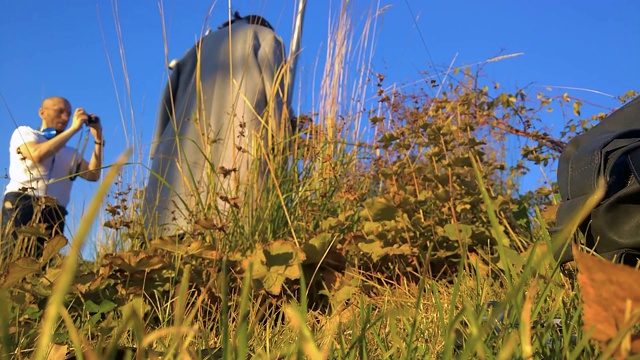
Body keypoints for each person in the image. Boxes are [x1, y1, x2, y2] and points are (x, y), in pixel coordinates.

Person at [143, 12, 293, 238]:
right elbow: (278, 109)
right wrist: (286, 144)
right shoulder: (267, 39)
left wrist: (157, 153)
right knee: (233, 251)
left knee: (167, 256)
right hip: (240, 165)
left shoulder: (196, 48)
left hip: (175, 174)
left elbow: (166, 107)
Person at [1, 96, 103, 257]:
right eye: (60, 111)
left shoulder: (71, 153)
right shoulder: (26, 133)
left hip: (55, 211)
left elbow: (93, 174)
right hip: (22, 203)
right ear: (42, 112)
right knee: (11, 258)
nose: (65, 118)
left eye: (69, 114)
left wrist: (98, 139)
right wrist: (74, 129)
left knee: (45, 265)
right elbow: (37, 154)